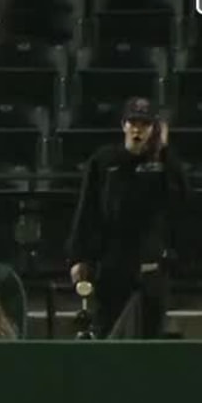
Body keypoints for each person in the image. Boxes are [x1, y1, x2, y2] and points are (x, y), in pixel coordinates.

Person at [68, 97, 187, 340]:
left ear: (153, 129)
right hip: (112, 262)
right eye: (133, 122)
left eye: (144, 124)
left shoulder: (164, 164)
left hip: (151, 264)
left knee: (151, 333)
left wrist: (163, 153)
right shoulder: (103, 161)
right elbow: (87, 209)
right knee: (107, 329)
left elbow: (181, 202)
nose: (137, 129)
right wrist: (79, 256)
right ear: (124, 125)